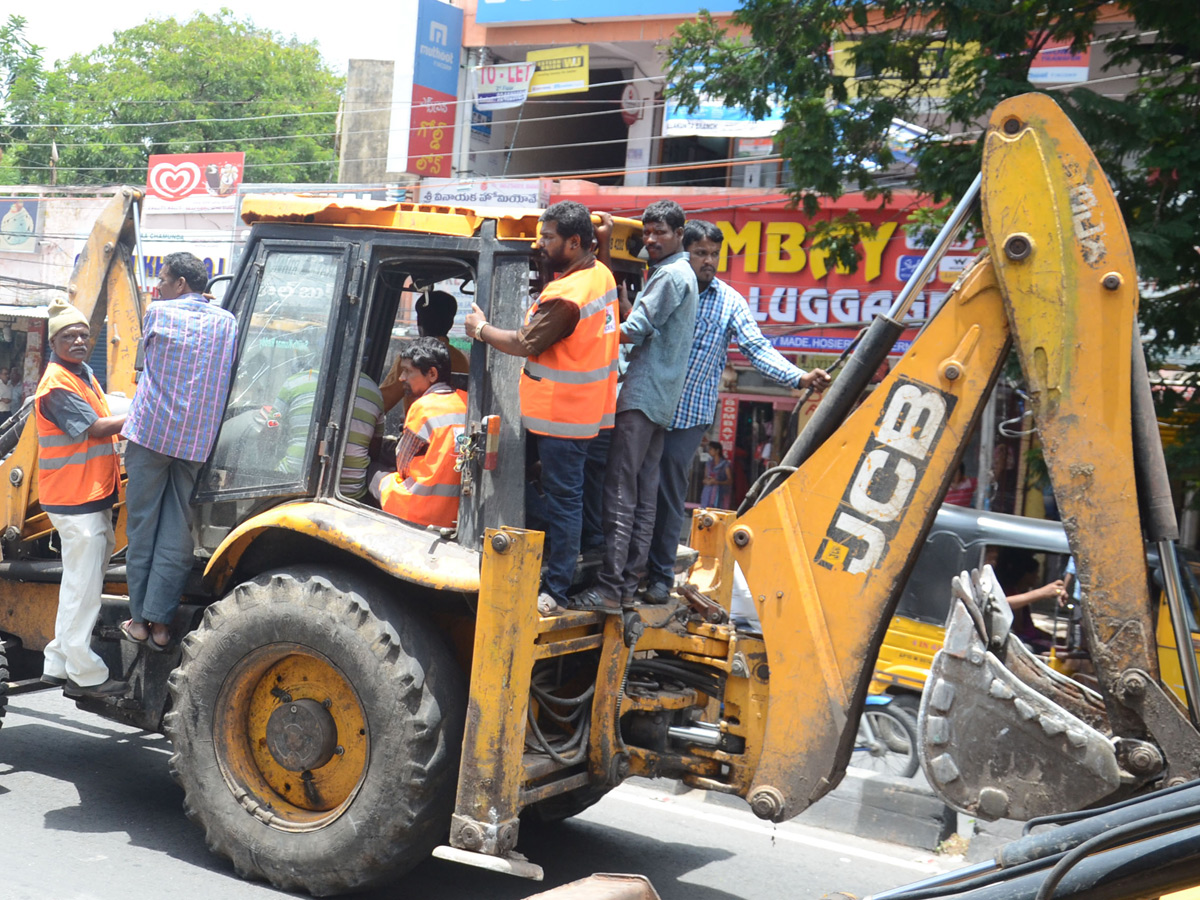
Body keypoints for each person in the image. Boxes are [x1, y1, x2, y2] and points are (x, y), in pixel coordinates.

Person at [642, 219, 831, 601]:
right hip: (647, 405)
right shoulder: (665, 284)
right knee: (634, 487)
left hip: (688, 415)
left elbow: (756, 348)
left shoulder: (729, 301)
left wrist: (798, 377)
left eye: (714, 254)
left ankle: (660, 576)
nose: (708, 261)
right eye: (700, 253)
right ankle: (629, 567)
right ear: (685, 251)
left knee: (667, 489)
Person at [464, 201, 619, 614]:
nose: (539, 242)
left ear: (574, 242)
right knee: (575, 497)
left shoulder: (566, 298)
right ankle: (581, 553)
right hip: (588, 414)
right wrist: (601, 241)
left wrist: (479, 329)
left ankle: (556, 588)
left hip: (562, 417)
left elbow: (523, 343)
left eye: (547, 237)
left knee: (563, 501)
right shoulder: (599, 273)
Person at [571, 200, 698, 613]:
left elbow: (633, 331)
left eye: (660, 232)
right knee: (643, 494)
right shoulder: (681, 274)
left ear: (680, 234)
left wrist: (585, 327)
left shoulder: (670, 277)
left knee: (620, 491)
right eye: (647, 232)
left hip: (640, 395)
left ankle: (609, 587)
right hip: (662, 398)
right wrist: (607, 241)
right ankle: (626, 584)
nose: (651, 240)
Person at [120, 252, 238, 652]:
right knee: (176, 537)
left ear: (181, 285)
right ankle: (161, 625)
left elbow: (144, 362)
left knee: (142, 529)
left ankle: (139, 621)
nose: (159, 288)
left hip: (151, 435)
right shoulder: (228, 321)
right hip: (195, 443)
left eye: (164, 280)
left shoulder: (159, 313)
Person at [34, 296, 127, 698]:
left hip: (90, 495)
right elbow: (95, 429)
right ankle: (85, 671)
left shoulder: (83, 374)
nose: (78, 341)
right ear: (54, 342)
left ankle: (56, 660)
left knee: (79, 582)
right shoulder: (56, 385)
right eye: (69, 335)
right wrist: (147, 413)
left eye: (84, 335)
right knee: (84, 588)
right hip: (74, 498)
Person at [379, 337, 468, 528]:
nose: (402, 378)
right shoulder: (467, 401)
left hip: (419, 509)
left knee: (374, 471)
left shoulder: (423, 407)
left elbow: (401, 465)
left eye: (408, 371)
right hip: (457, 512)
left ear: (432, 374)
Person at [273, 365, 385, 502]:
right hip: (351, 494)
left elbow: (268, 439)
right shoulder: (373, 390)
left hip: (291, 485)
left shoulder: (295, 382)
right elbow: (374, 451)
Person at [381, 289, 470, 412]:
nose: (403, 377)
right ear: (451, 323)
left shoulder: (412, 357)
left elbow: (383, 401)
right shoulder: (460, 359)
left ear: (419, 322)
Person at [700, 442, 732, 510]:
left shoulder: (725, 464)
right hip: (707, 491)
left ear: (717, 451)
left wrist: (717, 482)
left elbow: (730, 481)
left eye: (711, 449)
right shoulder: (708, 463)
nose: (709, 451)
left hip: (718, 492)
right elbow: (705, 477)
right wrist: (706, 481)